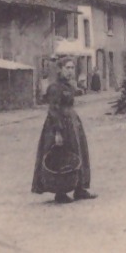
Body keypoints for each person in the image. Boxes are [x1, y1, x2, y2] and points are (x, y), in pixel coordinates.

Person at [31, 61, 95, 204]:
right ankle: (60, 192)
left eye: (72, 68)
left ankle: (80, 188)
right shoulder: (54, 88)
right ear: (60, 69)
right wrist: (58, 132)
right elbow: (53, 110)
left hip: (72, 124)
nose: (70, 71)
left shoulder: (68, 86)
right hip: (59, 124)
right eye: (67, 68)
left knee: (78, 153)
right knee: (61, 155)